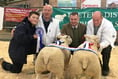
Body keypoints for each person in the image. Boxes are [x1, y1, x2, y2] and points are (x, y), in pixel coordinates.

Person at [86, 11, 117, 76]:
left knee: (107, 49)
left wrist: (99, 45)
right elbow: (88, 36)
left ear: (102, 18)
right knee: (89, 51)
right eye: (94, 20)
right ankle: (98, 64)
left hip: (106, 41)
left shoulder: (108, 25)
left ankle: (105, 68)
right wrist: (92, 44)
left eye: (97, 20)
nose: (95, 22)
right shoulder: (89, 23)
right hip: (94, 42)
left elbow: (107, 40)